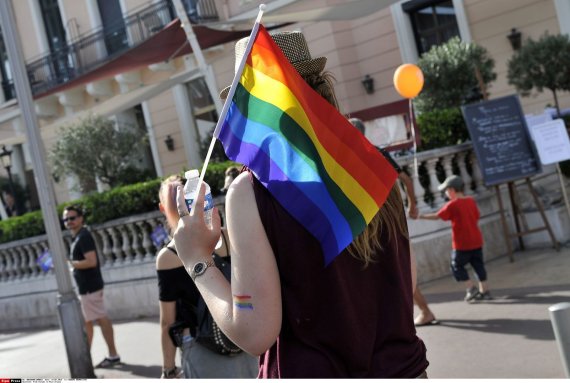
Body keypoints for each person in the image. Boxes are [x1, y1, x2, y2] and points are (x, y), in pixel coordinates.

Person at [171, 30, 428, 378]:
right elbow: (405, 280)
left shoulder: (252, 192)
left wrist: (196, 260)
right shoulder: (374, 165)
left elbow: (255, 332)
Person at [155, 175, 257, 379]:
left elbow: (167, 321)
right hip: (242, 335)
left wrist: (168, 368)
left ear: (163, 208)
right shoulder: (226, 236)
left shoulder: (168, 256)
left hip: (200, 345)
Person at [349, 117, 437, 326]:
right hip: (387, 220)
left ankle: (420, 311)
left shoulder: (358, 155)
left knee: (394, 267)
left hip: (376, 223)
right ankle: (411, 314)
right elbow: (405, 179)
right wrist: (412, 204)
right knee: (395, 266)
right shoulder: (377, 153)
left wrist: (413, 204)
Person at [416, 175, 492, 302]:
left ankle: (470, 288)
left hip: (462, 244)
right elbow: (477, 216)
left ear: (451, 190)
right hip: (476, 240)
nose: (446, 193)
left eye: (446, 190)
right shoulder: (471, 201)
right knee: (478, 265)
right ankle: (484, 290)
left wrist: (420, 216)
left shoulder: (452, 205)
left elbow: (437, 216)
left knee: (456, 265)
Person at [62, 205, 120, 368]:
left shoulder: (84, 236)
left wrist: (69, 263)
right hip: (87, 287)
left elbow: (91, 261)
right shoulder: (78, 236)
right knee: (88, 322)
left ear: (81, 218)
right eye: (66, 219)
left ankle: (111, 355)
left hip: (90, 287)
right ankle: (88, 356)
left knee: (100, 319)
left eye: (72, 218)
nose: (69, 222)